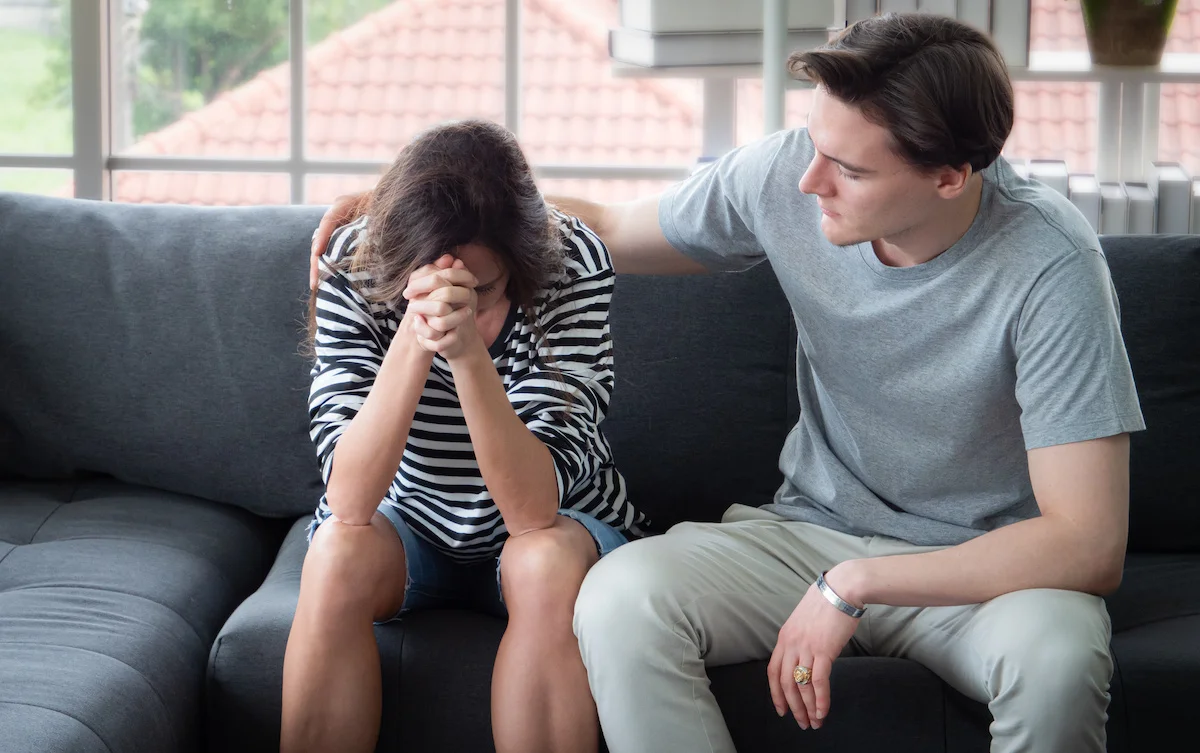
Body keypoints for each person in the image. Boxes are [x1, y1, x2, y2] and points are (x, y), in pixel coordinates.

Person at [311, 14, 1144, 753]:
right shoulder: (791, 175)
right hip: (808, 535)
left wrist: (856, 584)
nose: (810, 180)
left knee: (1060, 656)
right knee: (619, 600)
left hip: (983, 570)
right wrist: (406, 205)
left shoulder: (1051, 264)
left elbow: (1087, 543)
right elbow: (608, 226)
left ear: (949, 177)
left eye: (848, 169)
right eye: (814, 146)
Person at [286, 118, 646, 753]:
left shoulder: (575, 264)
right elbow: (348, 498)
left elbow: (533, 511)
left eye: (483, 292)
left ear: (519, 264)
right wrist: (415, 333)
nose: (462, 308)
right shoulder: (354, 260)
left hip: (557, 521)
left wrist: (467, 358)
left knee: (543, 560)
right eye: (428, 290)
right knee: (336, 552)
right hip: (410, 522)